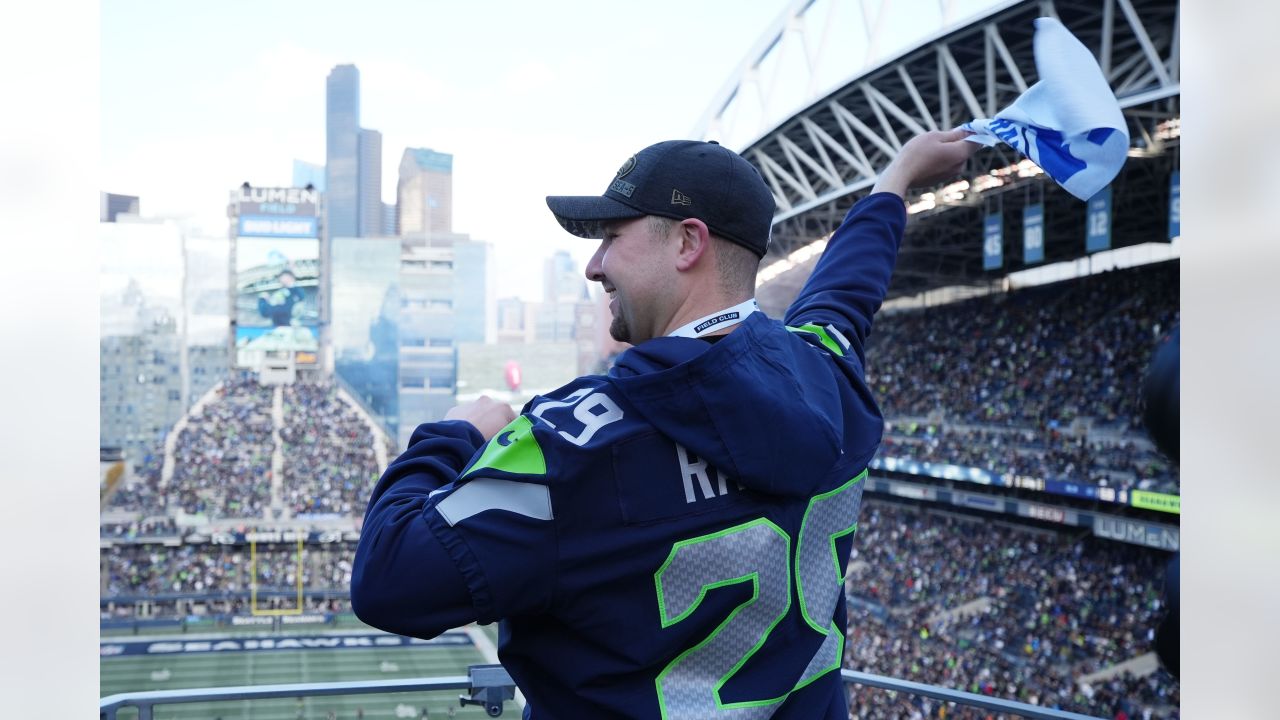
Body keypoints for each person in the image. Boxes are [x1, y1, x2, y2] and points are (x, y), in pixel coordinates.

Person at [352, 130, 978, 719]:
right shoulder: (828, 373)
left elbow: (388, 578)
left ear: (687, 243)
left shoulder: (574, 444)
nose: (594, 266)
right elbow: (846, 293)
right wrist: (895, 181)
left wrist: (451, 434)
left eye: (611, 237)